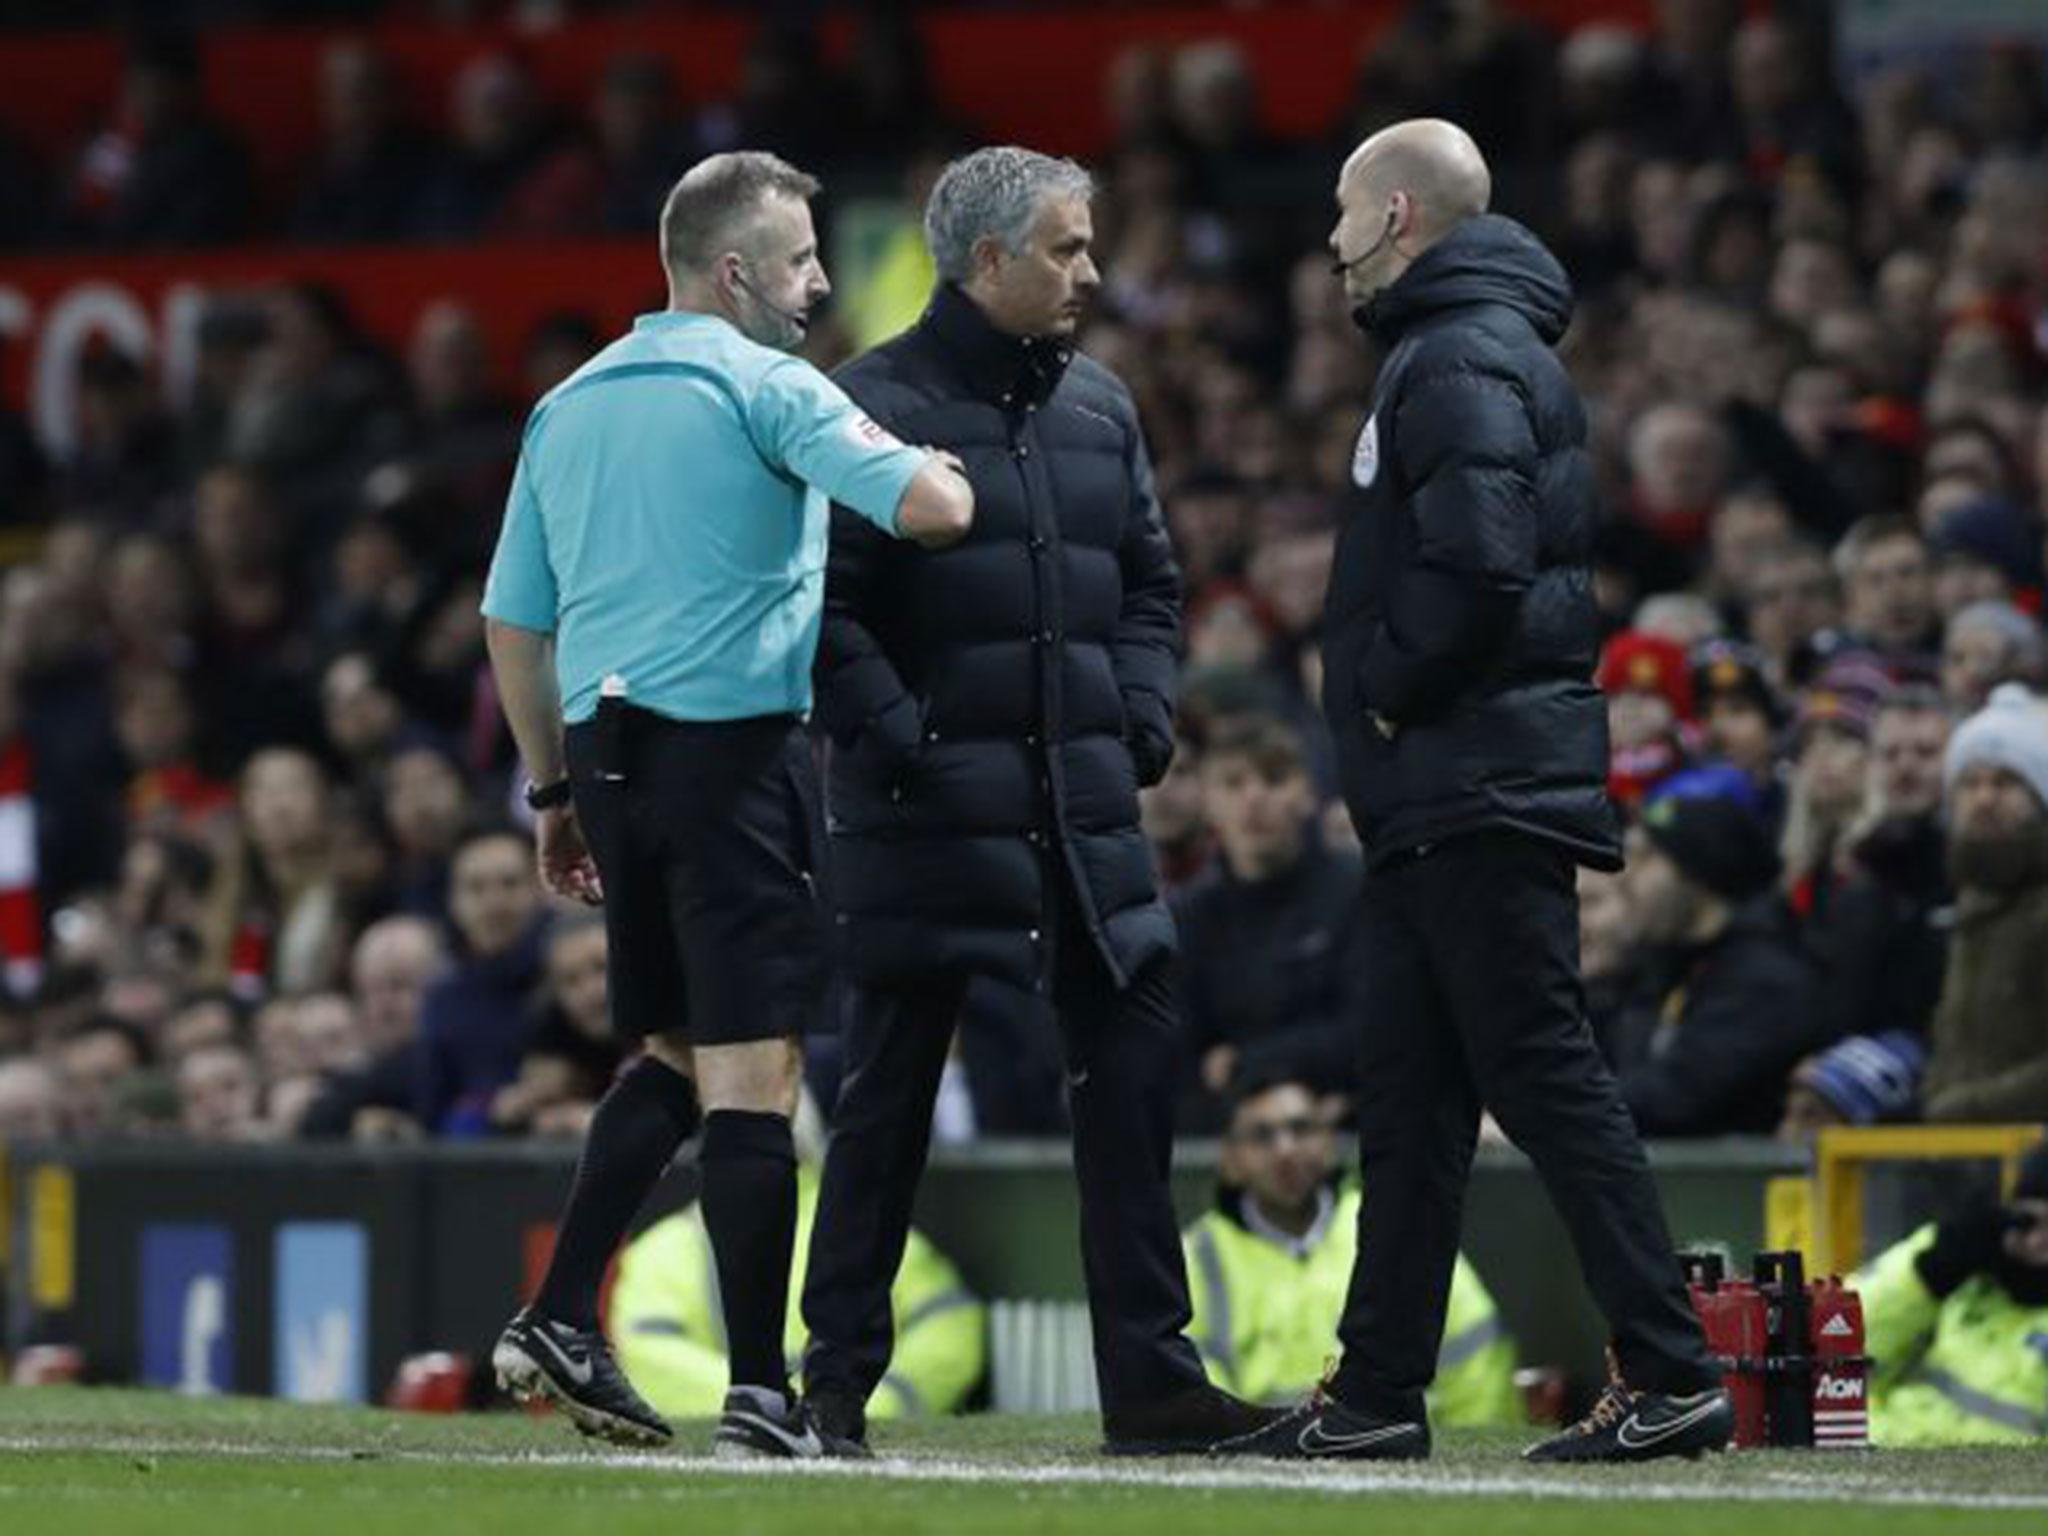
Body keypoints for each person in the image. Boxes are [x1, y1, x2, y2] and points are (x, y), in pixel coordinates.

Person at [1219, 119, 1729, 1464]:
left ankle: (1671, 1367)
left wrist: (1384, 684)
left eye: (1342, 214)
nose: (1329, 244)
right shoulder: (1466, 344)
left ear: (1396, 214)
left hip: (1473, 779)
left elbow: (1483, 559)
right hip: (1449, 787)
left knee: (1542, 1072)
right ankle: (1381, 1388)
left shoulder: (1454, 352)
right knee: (1411, 1096)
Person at [481, 151, 973, 1457]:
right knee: (756, 1073)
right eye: (806, 258)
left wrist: (550, 791)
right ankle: (763, 1392)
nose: (821, 283)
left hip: (608, 756)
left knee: (672, 1054)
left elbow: (513, 621)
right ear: (736, 268)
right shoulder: (769, 387)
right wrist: (946, 462)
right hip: (735, 756)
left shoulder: (569, 400)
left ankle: (555, 1317)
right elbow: (929, 509)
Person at [801, 145, 1271, 1458]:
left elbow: (1155, 586)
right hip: (923, 820)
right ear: (987, 260)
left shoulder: (1103, 408)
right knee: (884, 1107)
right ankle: (831, 1385)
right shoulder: (864, 405)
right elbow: (820, 613)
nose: (1092, 274)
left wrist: (1141, 723)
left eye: (1089, 245)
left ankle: (1155, 1388)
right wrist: (907, 745)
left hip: (1084, 821)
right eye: (1066, 250)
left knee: (1128, 1088)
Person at [610, 1098, 984, 1423]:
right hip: (851, 1428)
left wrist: (756, 1406)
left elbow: (653, 1359)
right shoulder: (870, 1228)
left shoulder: (666, 1247)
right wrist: (876, 1404)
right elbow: (946, 1328)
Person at [1185, 1072, 1520, 1424]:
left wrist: (1469, 1447)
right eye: (1262, 1136)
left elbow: (1474, 1357)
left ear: (1329, 1142)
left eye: (1301, 1129)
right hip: (1252, 1463)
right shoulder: (1200, 1257)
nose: (1285, 1150)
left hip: (1399, 1459)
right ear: (1230, 1160)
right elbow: (1193, 1386)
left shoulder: (1391, 1227)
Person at [1173, 716, 1367, 1131]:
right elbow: (1179, 1058)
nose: (1254, 798)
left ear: (1308, 794)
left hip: (1353, 1124)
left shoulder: (1357, 894)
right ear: (1208, 804)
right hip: (1228, 1135)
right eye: (1233, 783)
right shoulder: (1189, 918)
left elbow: (1374, 1028)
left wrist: (1247, 1062)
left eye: (1275, 779)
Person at [1611, 793, 1821, 1136]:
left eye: (1646, 858)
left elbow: (1676, 1096)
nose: (1624, 876)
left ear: (1696, 873)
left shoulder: (1764, 982)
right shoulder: (1664, 969)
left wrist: (1554, 1117)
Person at [1854, 1141, 2048, 1445]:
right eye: (2027, 1223)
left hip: (2003, 1479)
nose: (2037, 1241)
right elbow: (1830, 1348)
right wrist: (1926, 1278)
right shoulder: (1960, 1257)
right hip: (1888, 1450)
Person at [1918, 685, 2048, 1124]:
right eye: (1970, 784)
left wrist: (1965, 1110)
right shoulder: (1967, 911)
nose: (1984, 799)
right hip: (1968, 1167)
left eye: (2006, 783)